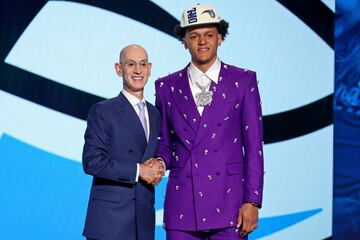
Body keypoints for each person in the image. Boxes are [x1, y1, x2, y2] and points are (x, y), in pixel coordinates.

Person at [155, 3, 264, 240]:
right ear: (184, 41)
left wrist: (252, 200)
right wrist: (157, 165)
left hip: (231, 203)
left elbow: (254, 145)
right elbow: (164, 143)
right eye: (194, 36)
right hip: (182, 205)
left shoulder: (243, 81)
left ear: (220, 38)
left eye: (209, 35)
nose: (202, 41)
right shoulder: (166, 87)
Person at [82, 44, 165, 240]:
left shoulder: (155, 113)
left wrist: (160, 165)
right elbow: (92, 161)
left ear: (150, 68)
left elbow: (159, 151)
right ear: (119, 69)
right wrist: (139, 170)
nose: (138, 70)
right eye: (131, 64)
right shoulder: (103, 110)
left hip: (143, 220)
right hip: (110, 221)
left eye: (143, 64)